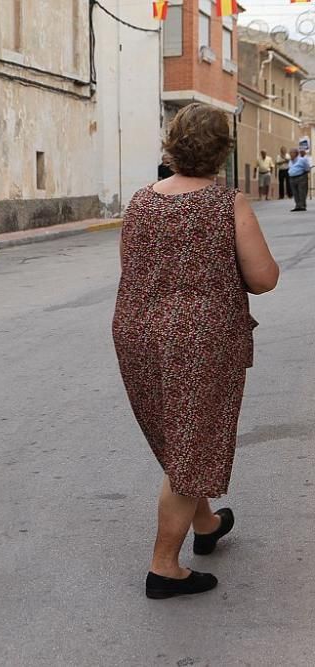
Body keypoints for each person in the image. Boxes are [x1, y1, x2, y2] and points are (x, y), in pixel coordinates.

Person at [112, 103, 279, 601]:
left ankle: (205, 525)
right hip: (201, 340)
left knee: (180, 436)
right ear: (223, 153)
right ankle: (165, 566)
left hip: (137, 332)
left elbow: (131, 264)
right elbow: (263, 278)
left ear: (171, 145)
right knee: (192, 445)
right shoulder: (228, 204)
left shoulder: (142, 202)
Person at [287, 147, 311, 211]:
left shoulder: (302, 160)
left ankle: (302, 205)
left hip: (301, 177)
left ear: (296, 153)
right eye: (290, 153)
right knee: (295, 193)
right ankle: (297, 205)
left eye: (292, 153)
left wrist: (303, 174)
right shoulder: (290, 161)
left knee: (301, 192)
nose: (290, 154)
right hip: (292, 178)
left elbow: (307, 168)